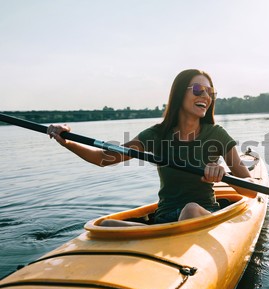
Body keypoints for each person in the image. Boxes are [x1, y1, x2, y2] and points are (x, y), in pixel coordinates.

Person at [47, 69, 257, 226]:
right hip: (164, 218)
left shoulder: (216, 135)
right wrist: (66, 140)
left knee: (190, 209)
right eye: (198, 89)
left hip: (201, 214)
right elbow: (103, 158)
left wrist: (224, 174)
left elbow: (250, 190)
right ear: (178, 94)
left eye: (211, 92)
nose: (206, 96)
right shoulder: (155, 135)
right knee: (105, 224)